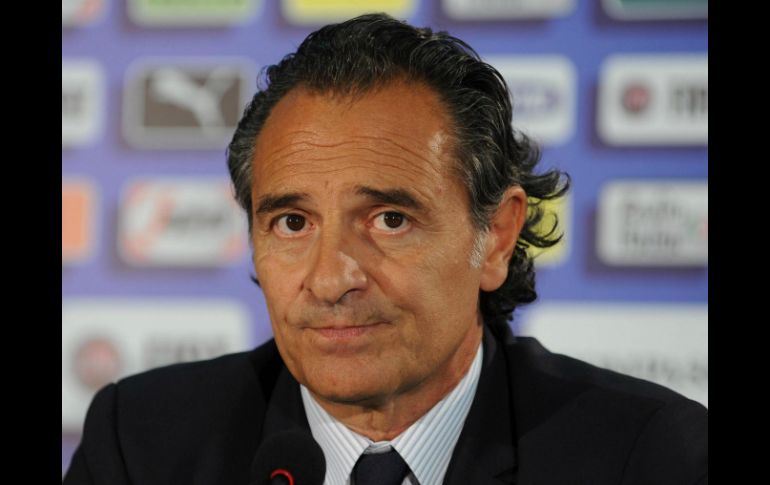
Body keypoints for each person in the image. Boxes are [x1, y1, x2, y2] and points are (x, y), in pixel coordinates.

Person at [63, 13, 707, 485]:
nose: (330, 279)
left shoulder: (646, 456)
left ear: (496, 237)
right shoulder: (141, 444)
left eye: (389, 219)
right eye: (292, 223)